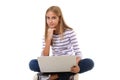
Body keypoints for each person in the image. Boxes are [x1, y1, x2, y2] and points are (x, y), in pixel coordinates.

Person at [29, 6, 94, 80]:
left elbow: (78, 53)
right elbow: (44, 56)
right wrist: (49, 38)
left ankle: (52, 77)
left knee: (90, 62)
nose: (50, 21)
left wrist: (76, 66)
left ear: (59, 18)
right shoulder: (47, 34)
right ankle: (67, 75)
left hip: (69, 65)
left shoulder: (70, 32)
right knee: (32, 64)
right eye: (48, 18)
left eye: (53, 18)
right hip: (55, 65)